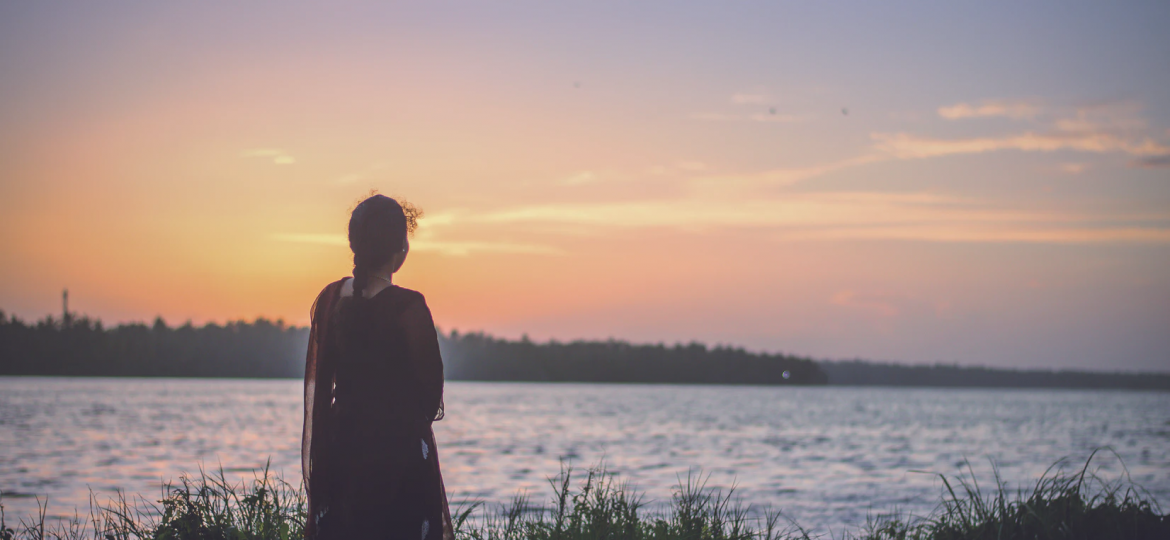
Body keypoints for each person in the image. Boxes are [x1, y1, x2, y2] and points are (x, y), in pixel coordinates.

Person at [302, 194, 453, 540]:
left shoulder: (330, 298)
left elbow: (324, 378)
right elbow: (431, 395)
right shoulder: (408, 307)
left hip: (342, 449)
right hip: (395, 457)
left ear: (355, 243)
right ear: (400, 246)